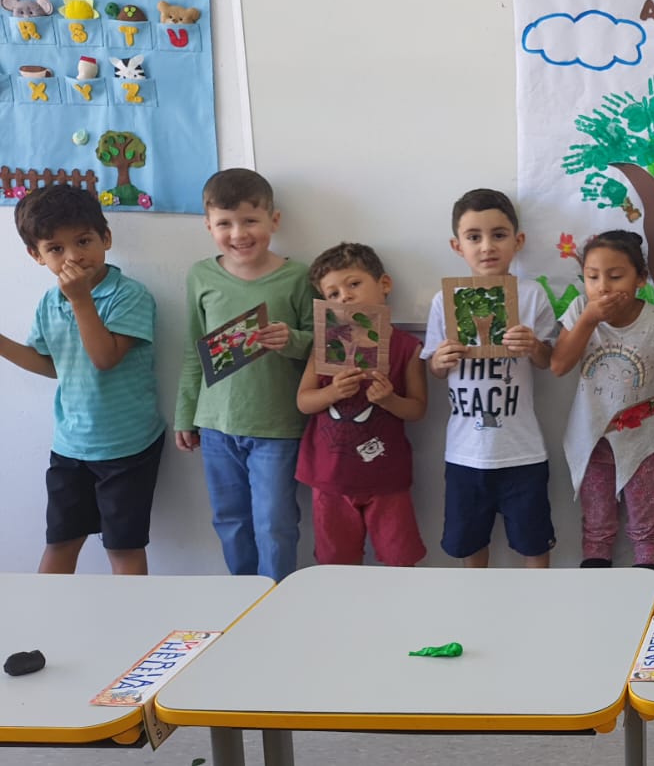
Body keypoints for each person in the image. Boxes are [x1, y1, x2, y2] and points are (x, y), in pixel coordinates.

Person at [1, 185, 163, 575]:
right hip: (70, 445)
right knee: (60, 542)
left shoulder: (130, 296)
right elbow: (52, 365)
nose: (73, 256)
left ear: (106, 238)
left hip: (126, 447)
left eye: (83, 241)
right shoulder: (49, 302)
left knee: (123, 548)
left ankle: (134, 616)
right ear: (36, 256)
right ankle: (44, 616)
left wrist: (80, 300)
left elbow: (104, 359)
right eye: (56, 248)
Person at [175, 169, 312, 582]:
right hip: (216, 426)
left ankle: (276, 597)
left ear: (274, 219)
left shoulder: (298, 276)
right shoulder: (201, 276)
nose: (238, 234)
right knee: (229, 519)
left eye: (250, 220)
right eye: (225, 223)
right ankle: (243, 595)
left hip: (277, 426)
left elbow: (325, 346)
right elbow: (193, 349)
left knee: (275, 522)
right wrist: (185, 415)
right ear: (208, 225)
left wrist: (291, 339)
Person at [422, 189, 558, 568]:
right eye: (474, 237)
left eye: (498, 235)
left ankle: (538, 599)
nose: (487, 247)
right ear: (457, 245)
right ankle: (474, 600)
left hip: (522, 450)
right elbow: (435, 368)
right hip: (465, 451)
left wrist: (533, 346)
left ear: (518, 241)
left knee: (534, 542)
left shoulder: (531, 295)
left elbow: (548, 361)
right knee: (469, 542)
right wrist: (440, 361)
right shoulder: (444, 300)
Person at [550, 231, 654, 572]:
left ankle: (649, 589)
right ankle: (597, 594)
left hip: (643, 440)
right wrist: (589, 319)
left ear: (640, 278)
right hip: (591, 437)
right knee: (597, 526)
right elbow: (559, 365)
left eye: (615, 277)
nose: (603, 287)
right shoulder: (580, 310)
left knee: (646, 525)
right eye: (592, 277)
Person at [295, 243, 428, 567]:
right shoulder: (325, 345)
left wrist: (389, 400)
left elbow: (417, 409)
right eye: (333, 293)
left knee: (400, 560)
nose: (345, 297)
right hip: (330, 479)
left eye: (353, 284)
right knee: (337, 564)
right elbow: (303, 402)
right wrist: (332, 392)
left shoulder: (407, 347)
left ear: (384, 284)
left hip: (387, 479)